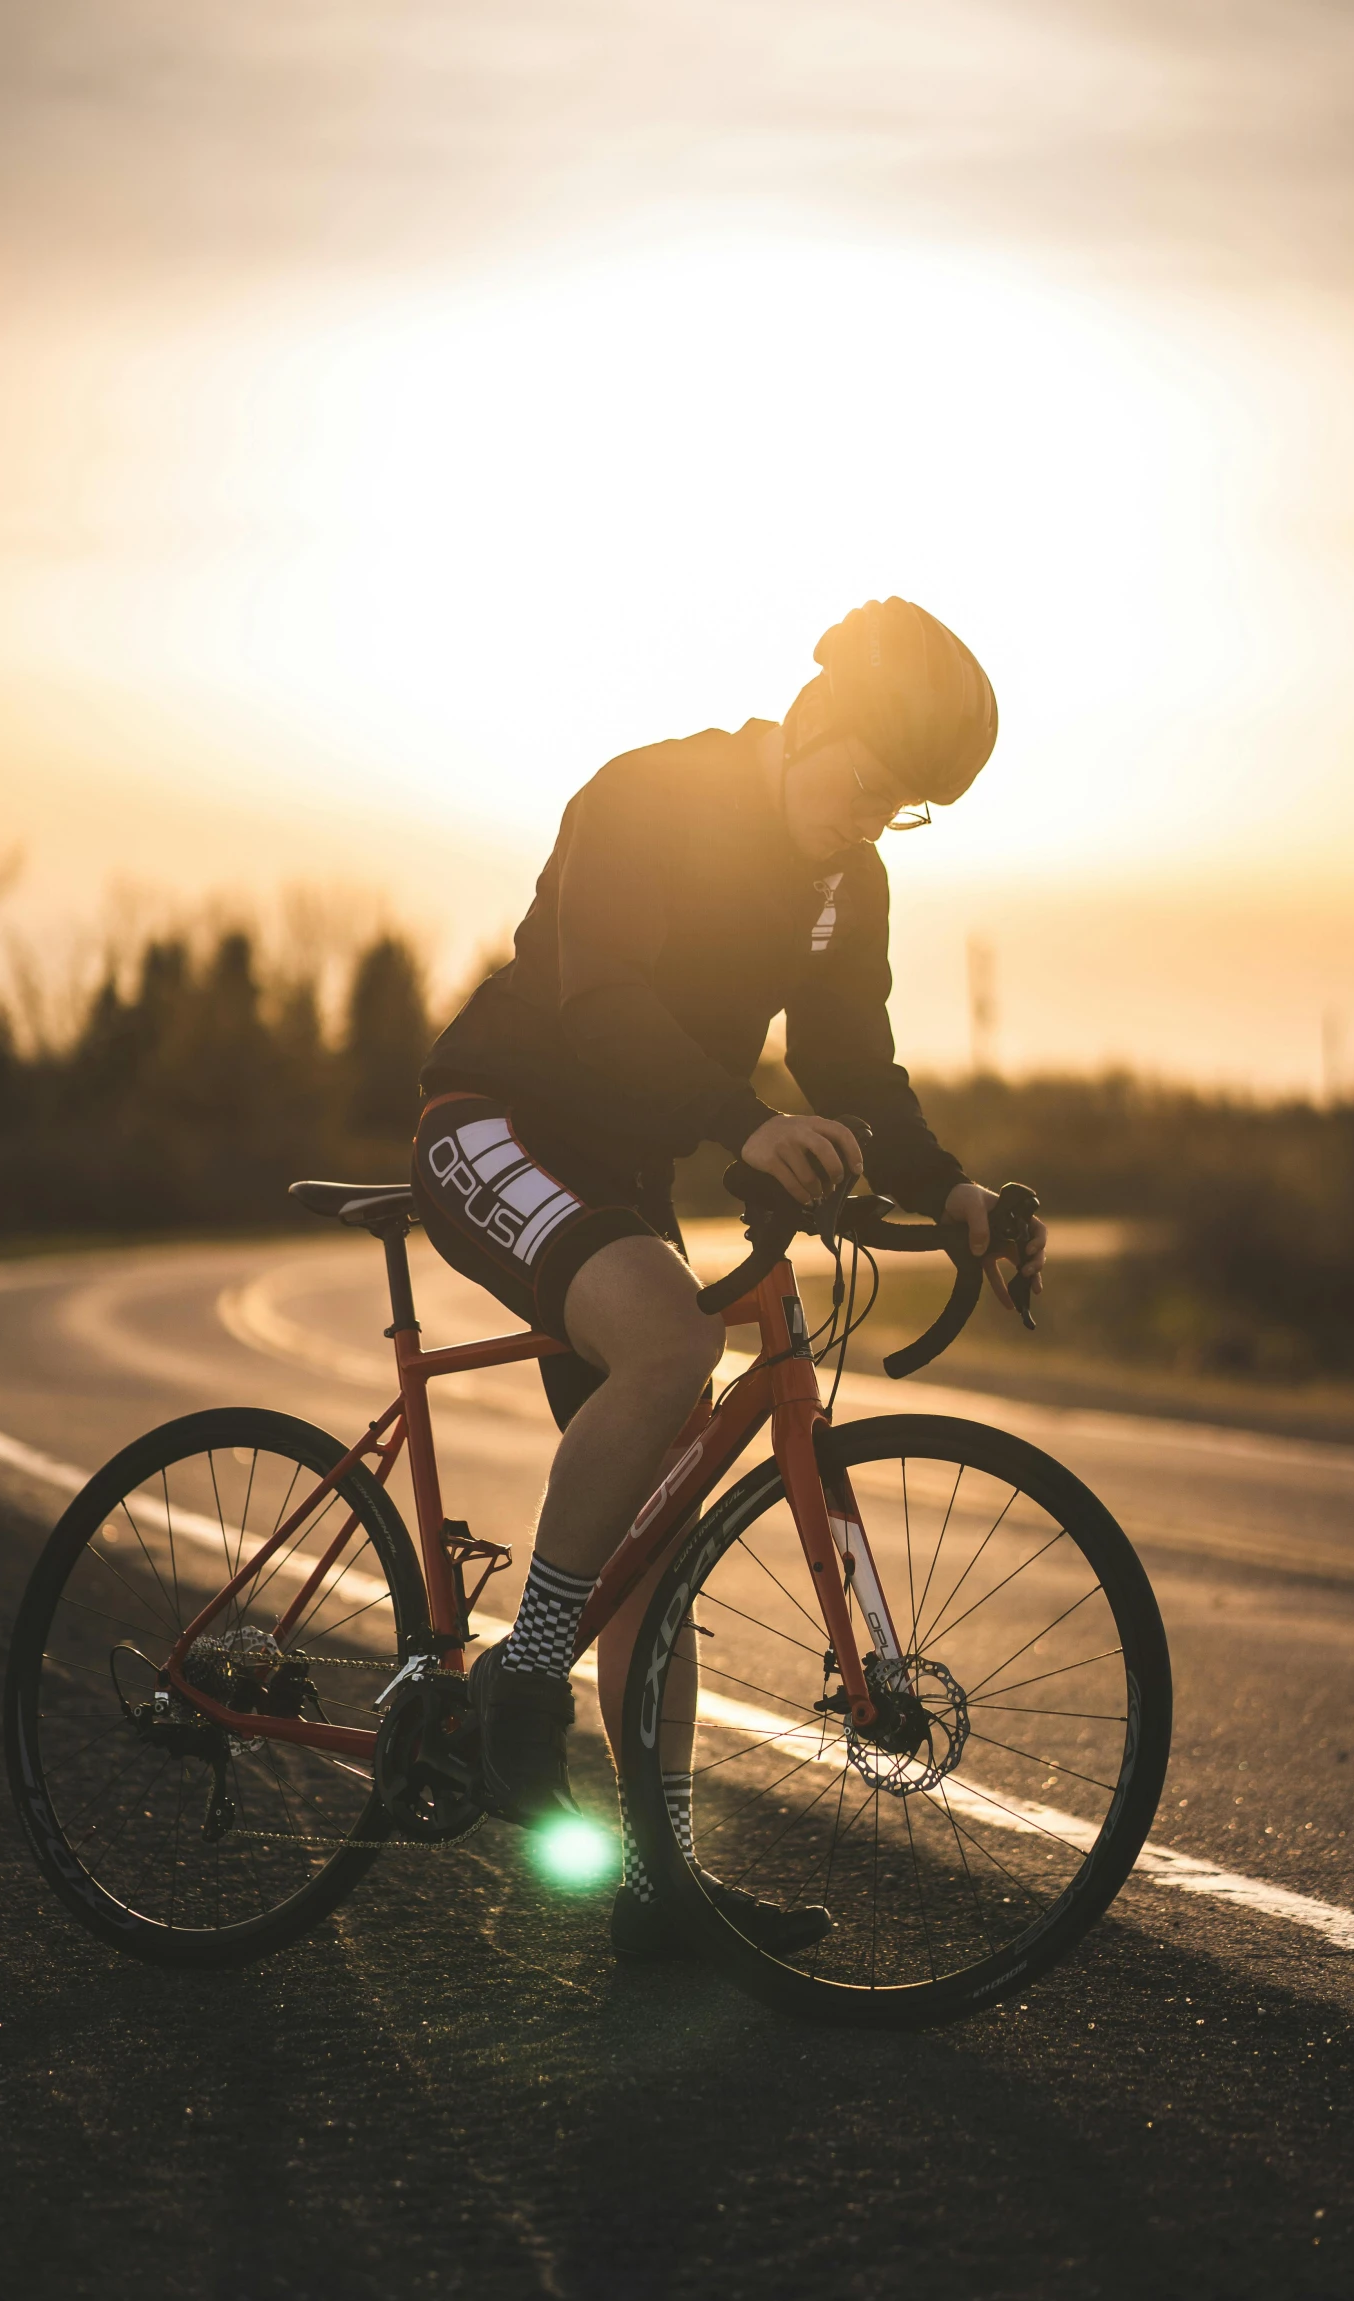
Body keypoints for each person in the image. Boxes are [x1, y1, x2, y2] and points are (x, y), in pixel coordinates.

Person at [412, 596, 1047, 1959]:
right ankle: (523, 1691)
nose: (867, 821)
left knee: (655, 1551)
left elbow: (853, 1067)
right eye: (865, 783)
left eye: (901, 812)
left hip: (625, 1179)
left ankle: (662, 1886)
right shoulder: (650, 795)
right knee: (663, 1344)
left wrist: (951, 1190)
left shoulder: (841, 882)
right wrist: (743, 1118)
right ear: (814, 717)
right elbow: (604, 1001)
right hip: (495, 1120)